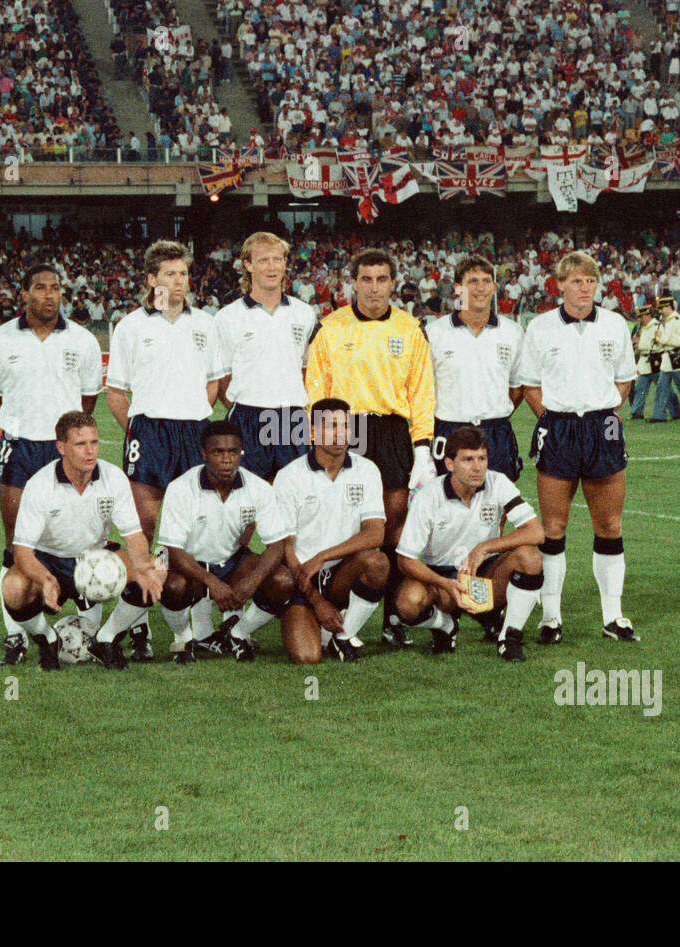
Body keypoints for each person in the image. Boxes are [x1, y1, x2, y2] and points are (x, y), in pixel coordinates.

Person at [303, 248, 434, 649]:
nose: (374, 287)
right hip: (346, 430)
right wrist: (319, 438)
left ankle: (393, 618)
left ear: (393, 283)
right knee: (342, 522)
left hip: (392, 431)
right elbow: (315, 390)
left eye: (382, 279)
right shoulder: (330, 326)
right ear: (354, 283)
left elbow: (422, 391)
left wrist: (424, 448)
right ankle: (329, 606)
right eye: (367, 279)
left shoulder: (411, 328)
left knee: (393, 530)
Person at [0, 263, 104, 665]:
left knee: (79, 536)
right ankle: (15, 635)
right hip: (18, 447)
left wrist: (66, 441)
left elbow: (87, 401)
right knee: (17, 542)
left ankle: (88, 631)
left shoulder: (83, 340)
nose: (48, 295)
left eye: (55, 288)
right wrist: (22, 423)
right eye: (39, 288)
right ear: (25, 293)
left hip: (62, 448)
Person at [105, 240, 223, 657]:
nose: (178, 281)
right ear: (151, 278)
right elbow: (116, 391)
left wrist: (190, 412)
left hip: (193, 430)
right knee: (146, 523)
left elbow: (214, 382)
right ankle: (139, 626)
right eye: (169, 274)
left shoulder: (205, 325)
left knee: (194, 527)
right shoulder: (130, 326)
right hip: (149, 432)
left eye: (183, 274)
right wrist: (138, 429)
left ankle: (197, 626)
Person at [516, 250, 638, 644]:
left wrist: (603, 410)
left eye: (590, 281)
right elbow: (530, 384)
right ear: (559, 285)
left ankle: (613, 616)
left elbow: (624, 379)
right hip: (559, 427)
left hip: (602, 426)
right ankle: (551, 618)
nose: (584, 288)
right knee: (553, 527)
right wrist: (552, 419)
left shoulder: (615, 325)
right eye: (576, 281)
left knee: (609, 525)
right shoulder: (540, 327)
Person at [1, 411, 164, 670]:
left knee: (156, 570)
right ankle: (47, 638)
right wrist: (45, 579)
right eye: (80, 444)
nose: (90, 451)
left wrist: (143, 566)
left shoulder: (113, 478)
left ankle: (106, 639)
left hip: (94, 558)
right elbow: (22, 552)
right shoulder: (40, 484)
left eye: (94, 442)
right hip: (49, 560)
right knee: (14, 587)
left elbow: (133, 536)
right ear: (61, 447)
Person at [394, 426, 545, 661]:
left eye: (482, 458)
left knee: (530, 557)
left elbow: (536, 532)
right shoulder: (429, 496)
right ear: (450, 463)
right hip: (444, 581)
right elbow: (405, 559)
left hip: (487, 575)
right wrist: (445, 584)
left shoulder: (498, 482)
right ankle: (445, 626)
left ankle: (509, 637)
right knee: (408, 602)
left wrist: (484, 548)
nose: (477, 467)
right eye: (467, 459)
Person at [157, 421, 295, 663]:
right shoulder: (181, 488)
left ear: (241, 452)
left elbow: (276, 545)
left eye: (233, 452)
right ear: (204, 454)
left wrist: (252, 581)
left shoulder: (259, 488)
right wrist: (211, 582)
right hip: (190, 562)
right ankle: (183, 638)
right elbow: (174, 551)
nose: (226, 459)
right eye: (217, 452)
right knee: (174, 587)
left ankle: (239, 633)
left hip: (231, 560)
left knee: (282, 580)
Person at [273, 398, 390, 663]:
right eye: (330, 426)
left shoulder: (367, 470)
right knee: (307, 658)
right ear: (312, 431)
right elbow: (285, 548)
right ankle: (316, 621)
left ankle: (343, 636)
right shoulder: (290, 476)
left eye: (345, 426)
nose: (339, 434)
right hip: (302, 576)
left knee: (378, 562)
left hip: (341, 574)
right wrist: (316, 600)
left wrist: (324, 556)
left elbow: (375, 534)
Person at [214, 232, 318, 481]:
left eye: (277, 259)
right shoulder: (227, 317)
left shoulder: (304, 313)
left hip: (291, 418)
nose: (272, 267)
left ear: (285, 263)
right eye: (263, 260)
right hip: (248, 417)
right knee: (248, 500)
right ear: (248, 265)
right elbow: (221, 378)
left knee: (294, 498)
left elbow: (307, 368)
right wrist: (248, 406)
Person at [425, 254, 525, 481]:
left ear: (494, 287)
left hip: (496, 430)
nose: (480, 288)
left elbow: (518, 388)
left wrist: (495, 412)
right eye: (473, 281)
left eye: (486, 281)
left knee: (497, 504)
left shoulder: (512, 332)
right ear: (459, 289)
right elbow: (425, 390)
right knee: (448, 507)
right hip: (450, 429)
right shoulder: (436, 333)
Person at [650, 296, 680, 422]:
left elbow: (678, 341)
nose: (659, 311)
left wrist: (661, 338)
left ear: (669, 307)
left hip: (676, 357)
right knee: (661, 387)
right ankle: (659, 415)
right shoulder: (668, 320)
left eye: (661, 308)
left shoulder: (677, 320)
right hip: (667, 358)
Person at [629, 305, 659, 420]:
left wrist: (639, 343)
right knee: (640, 389)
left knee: (663, 389)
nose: (639, 319)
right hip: (644, 362)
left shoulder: (656, 326)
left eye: (641, 316)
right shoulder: (643, 327)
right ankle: (636, 412)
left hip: (654, 361)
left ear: (647, 316)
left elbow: (655, 345)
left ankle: (676, 410)